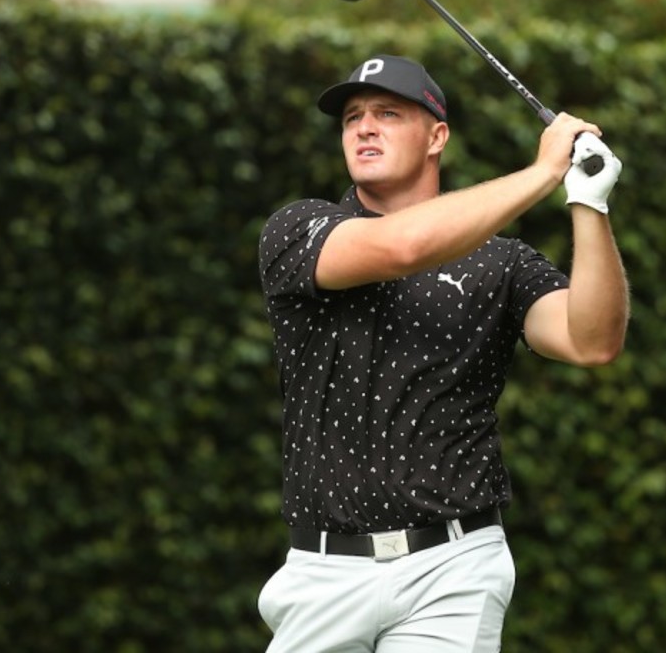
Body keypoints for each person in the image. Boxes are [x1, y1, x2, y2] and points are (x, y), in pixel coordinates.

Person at [256, 54, 629, 652]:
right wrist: (543, 171)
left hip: (454, 568)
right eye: (352, 117)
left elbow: (591, 340)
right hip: (323, 572)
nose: (364, 128)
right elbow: (403, 247)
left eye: (387, 114)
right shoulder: (299, 229)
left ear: (437, 137)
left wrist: (590, 204)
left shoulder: (503, 262)